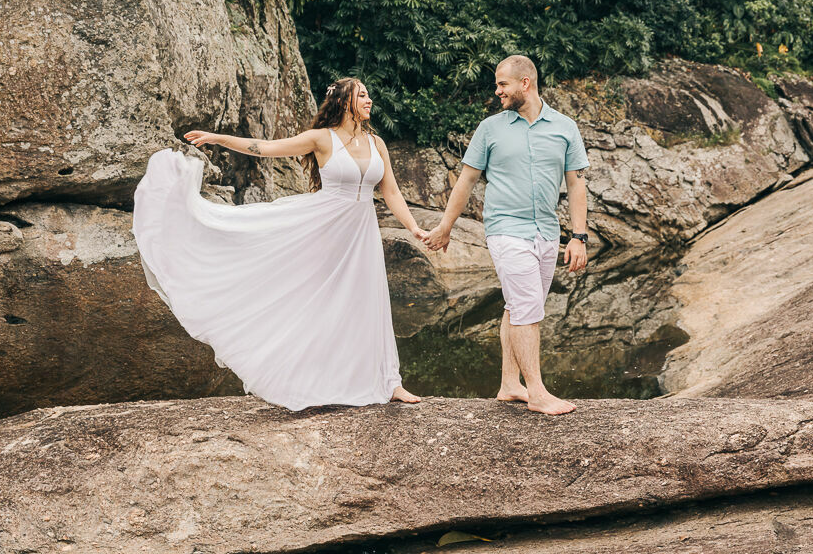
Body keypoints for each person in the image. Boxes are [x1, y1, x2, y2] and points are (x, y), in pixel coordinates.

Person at [132, 77, 423, 410]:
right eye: (363, 95)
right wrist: (218, 138)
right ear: (344, 102)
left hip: (362, 233)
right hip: (323, 231)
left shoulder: (377, 144)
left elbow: (392, 192)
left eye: (369, 94)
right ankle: (312, 381)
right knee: (319, 304)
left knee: (369, 302)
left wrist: (414, 227)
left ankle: (390, 382)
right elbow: (266, 148)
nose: (370, 100)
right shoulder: (321, 139)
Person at [423, 55, 590, 416]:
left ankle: (509, 384)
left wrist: (579, 236)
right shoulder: (490, 129)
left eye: (502, 84)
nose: (497, 91)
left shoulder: (565, 127)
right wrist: (446, 226)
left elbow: (576, 184)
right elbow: (466, 180)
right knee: (528, 308)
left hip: (547, 232)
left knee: (519, 306)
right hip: (505, 230)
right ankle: (538, 393)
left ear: (525, 83)